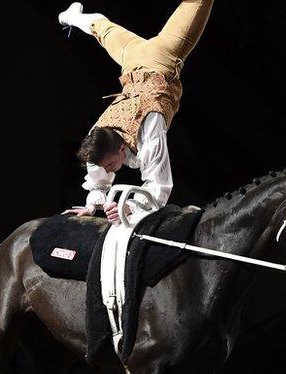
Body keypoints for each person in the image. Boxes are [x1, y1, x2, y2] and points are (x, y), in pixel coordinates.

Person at [58, 1, 213, 225]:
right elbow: (98, 177)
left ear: (122, 148)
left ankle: (73, 18)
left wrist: (129, 206)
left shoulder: (150, 121)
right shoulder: (96, 140)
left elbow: (159, 183)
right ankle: (72, 17)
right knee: (102, 29)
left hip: (163, 58)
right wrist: (92, 205)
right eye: (106, 167)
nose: (109, 170)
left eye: (110, 165)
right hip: (132, 59)